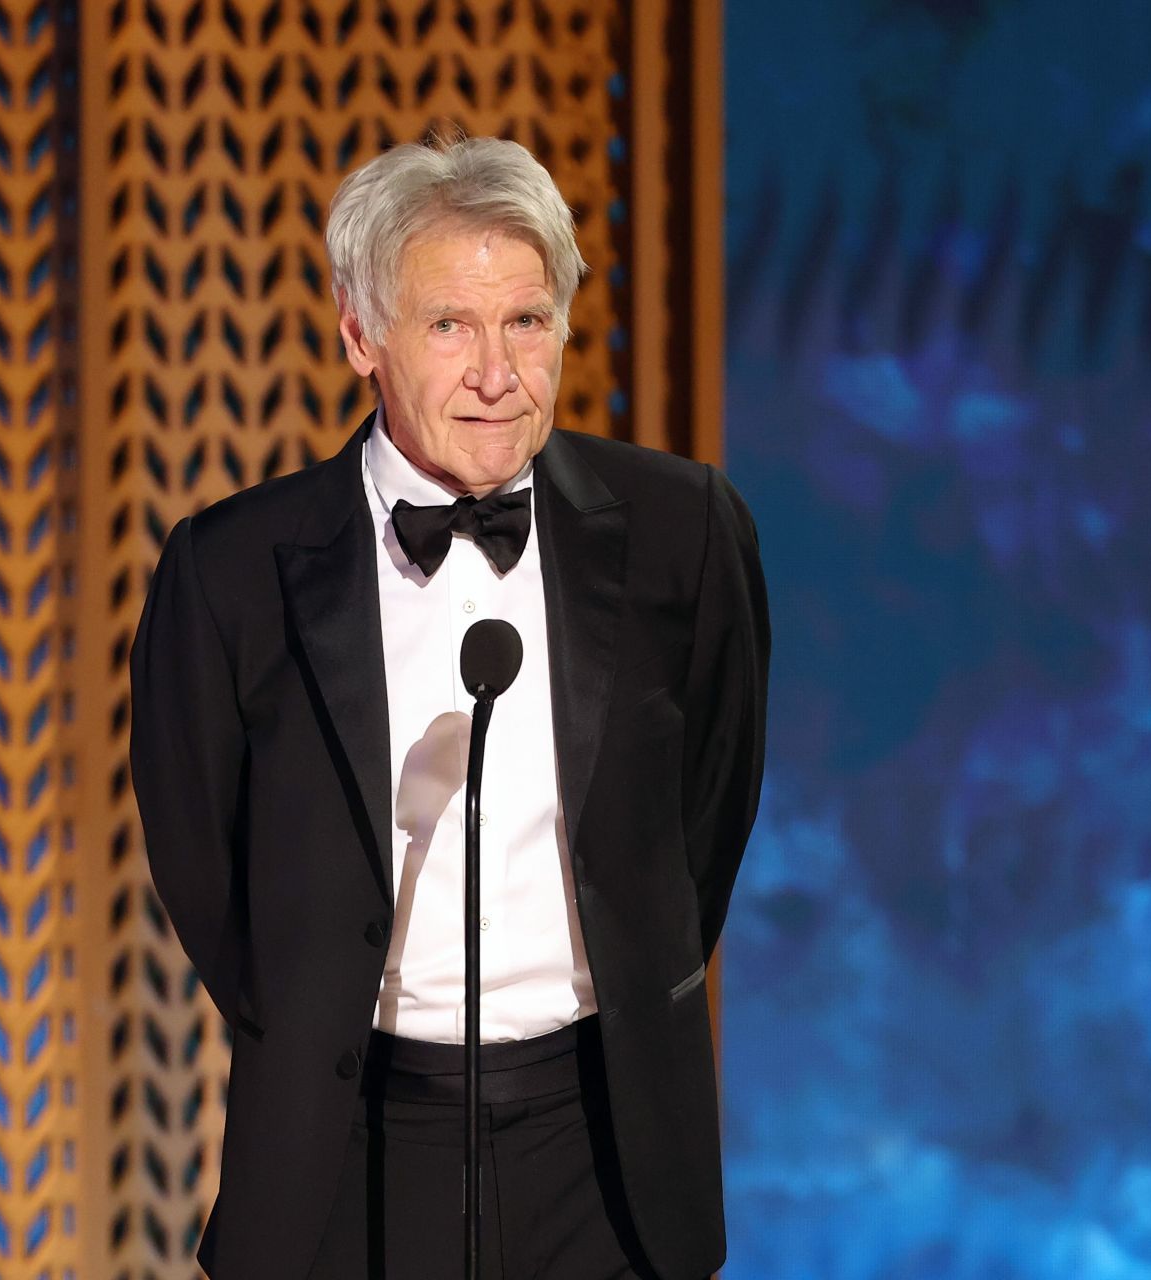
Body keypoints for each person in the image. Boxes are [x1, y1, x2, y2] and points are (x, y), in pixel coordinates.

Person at [130, 135, 769, 1279]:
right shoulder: (230, 568)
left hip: (608, 1147)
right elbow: (201, 861)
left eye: (526, 321)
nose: (496, 373)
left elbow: (703, 824)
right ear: (359, 334)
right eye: (449, 326)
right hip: (351, 1143)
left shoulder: (686, 532)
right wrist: (327, 1014)